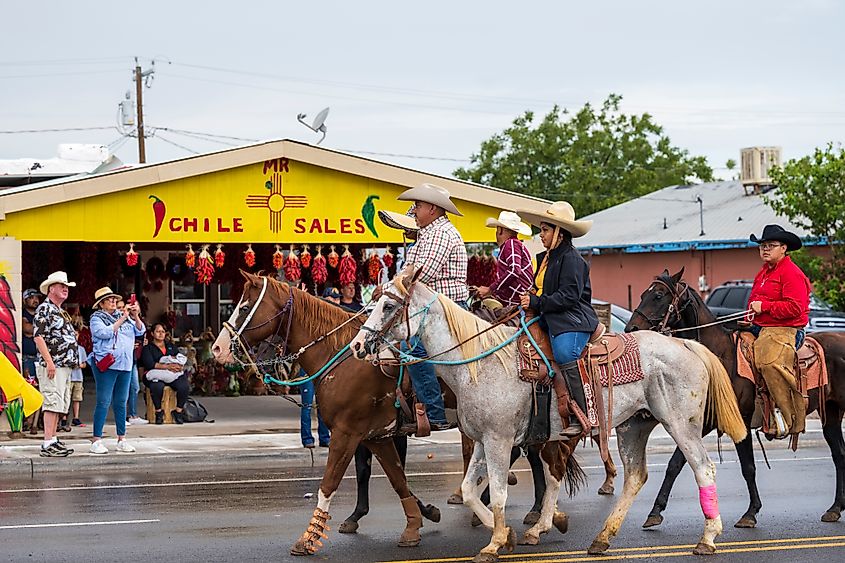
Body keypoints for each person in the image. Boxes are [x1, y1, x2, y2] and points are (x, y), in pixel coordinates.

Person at [518, 202, 599, 438]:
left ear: (559, 233)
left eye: (545, 230)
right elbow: (542, 290)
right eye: (541, 229)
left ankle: (584, 414)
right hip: (550, 318)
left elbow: (569, 296)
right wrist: (530, 298)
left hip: (572, 320)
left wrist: (536, 303)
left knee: (565, 354)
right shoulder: (546, 258)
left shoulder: (573, 259)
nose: (540, 234)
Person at [396, 183, 468, 431]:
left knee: (412, 348)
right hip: (433, 307)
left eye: (418, 205)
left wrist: (394, 285)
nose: (414, 211)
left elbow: (418, 275)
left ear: (433, 208)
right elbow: (408, 269)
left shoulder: (441, 234)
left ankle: (434, 413)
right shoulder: (428, 233)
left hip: (446, 308)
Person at [747, 224, 811, 436]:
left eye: (771, 245)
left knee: (769, 362)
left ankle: (789, 416)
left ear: (784, 248)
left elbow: (795, 308)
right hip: (762, 327)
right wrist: (751, 313)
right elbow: (754, 301)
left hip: (787, 329)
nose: (765, 249)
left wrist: (764, 307)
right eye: (762, 246)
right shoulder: (763, 273)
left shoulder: (792, 273)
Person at [89, 286, 145, 454]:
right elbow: (104, 333)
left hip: (125, 364)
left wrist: (135, 316)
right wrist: (124, 317)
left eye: (114, 299)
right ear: (101, 304)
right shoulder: (96, 318)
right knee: (103, 401)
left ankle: (122, 438)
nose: (113, 301)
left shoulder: (124, 316)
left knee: (121, 402)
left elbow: (140, 330)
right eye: (109, 299)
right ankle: (96, 440)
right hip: (107, 364)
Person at [32, 271, 78, 457]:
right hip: (53, 364)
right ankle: (47, 442)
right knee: (52, 402)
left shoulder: (60, 311)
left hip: (63, 364)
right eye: (62, 286)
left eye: (66, 286)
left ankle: (53, 438)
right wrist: (49, 362)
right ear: (52, 289)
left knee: (59, 402)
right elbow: (38, 336)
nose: (66, 289)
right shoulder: (44, 309)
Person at [475, 210, 534, 307]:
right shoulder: (514, 245)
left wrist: (491, 289)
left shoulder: (510, 244)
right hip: (516, 300)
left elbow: (514, 271)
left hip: (516, 303)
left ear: (500, 230)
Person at [141, 323, 191, 424]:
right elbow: (150, 364)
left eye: (163, 332)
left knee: (184, 386)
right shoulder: (148, 348)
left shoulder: (171, 346)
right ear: (152, 333)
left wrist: (179, 367)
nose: (160, 334)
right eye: (158, 332)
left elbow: (179, 359)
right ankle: (158, 412)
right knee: (157, 387)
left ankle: (178, 411)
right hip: (154, 375)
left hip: (172, 375)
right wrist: (167, 366)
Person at [68, 327, 87, 427]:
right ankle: (64, 418)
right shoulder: (66, 348)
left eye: (76, 334)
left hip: (78, 377)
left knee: (77, 398)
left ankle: (76, 417)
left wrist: (79, 365)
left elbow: (84, 364)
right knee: (66, 397)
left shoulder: (81, 349)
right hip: (69, 377)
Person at [21, 288, 41, 380]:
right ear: (25, 300)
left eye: (37, 298)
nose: (35, 300)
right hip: (27, 358)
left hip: (41, 357)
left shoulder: (40, 314)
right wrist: (40, 329)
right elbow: (27, 329)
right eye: (32, 298)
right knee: (30, 384)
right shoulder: (22, 314)